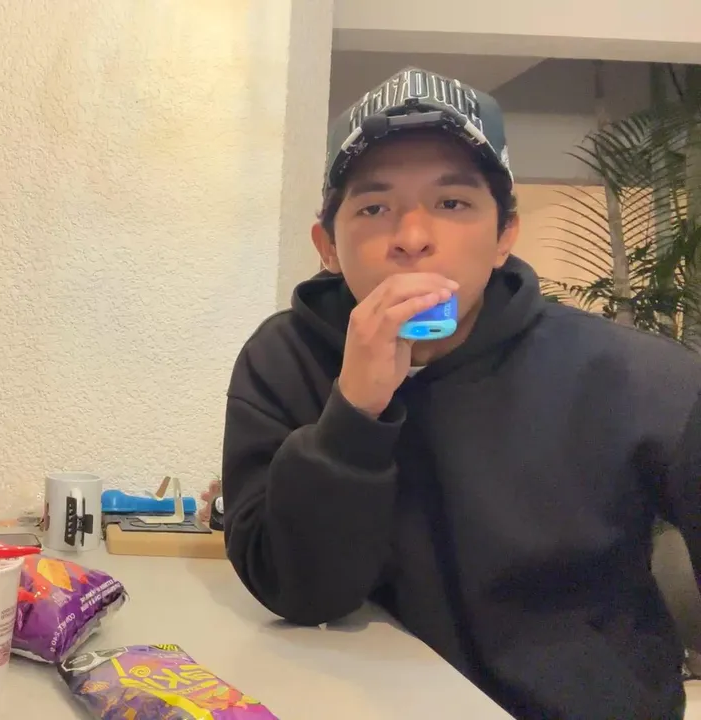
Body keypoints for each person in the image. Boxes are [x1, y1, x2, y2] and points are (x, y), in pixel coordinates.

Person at [222, 67, 701, 720]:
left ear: (505, 235)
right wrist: (353, 413)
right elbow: (297, 593)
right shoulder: (284, 361)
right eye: (373, 208)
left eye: (452, 203)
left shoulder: (636, 376)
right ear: (327, 246)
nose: (413, 237)